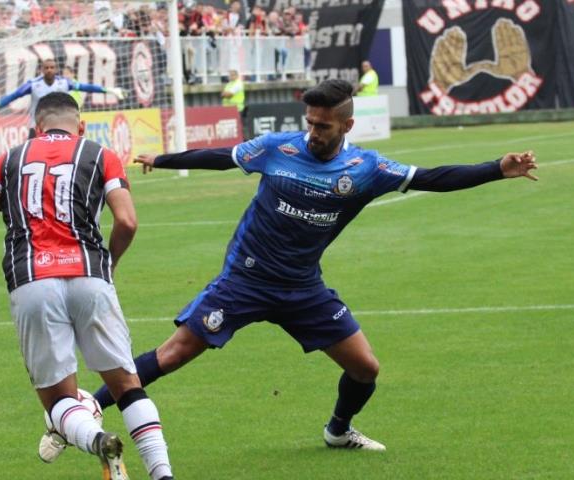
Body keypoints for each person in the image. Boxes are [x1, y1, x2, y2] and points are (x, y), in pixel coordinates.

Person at [91, 79, 538, 451]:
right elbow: (222, 157)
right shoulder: (277, 149)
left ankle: (338, 431)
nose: (314, 132)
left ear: (347, 124)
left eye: (323, 126)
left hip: (303, 289)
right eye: (310, 123)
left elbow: (431, 178)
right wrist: (163, 159)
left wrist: (496, 168)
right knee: (174, 353)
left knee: (366, 369)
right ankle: (87, 409)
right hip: (245, 280)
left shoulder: (366, 166)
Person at [0, 92, 175, 480]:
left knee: (59, 401)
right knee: (127, 386)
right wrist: (107, 263)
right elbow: (127, 222)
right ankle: (162, 474)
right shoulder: (100, 154)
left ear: (36, 128)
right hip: (90, 277)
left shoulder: (10, 158)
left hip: (32, 283)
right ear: (80, 126)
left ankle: (97, 441)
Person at [0, 58, 125, 138]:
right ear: (42, 69)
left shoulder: (64, 83)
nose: (49, 70)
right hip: (37, 127)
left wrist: (110, 90)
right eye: (46, 68)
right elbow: (13, 96)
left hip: (60, 127)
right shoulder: (33, 85)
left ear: (56, 69)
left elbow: (87, 87)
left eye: (52, 67)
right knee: (32, 156)